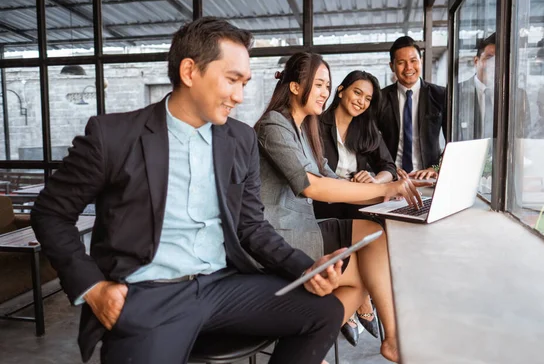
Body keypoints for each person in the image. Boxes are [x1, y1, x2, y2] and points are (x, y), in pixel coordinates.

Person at [30, 18, 347, 364]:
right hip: (151, 294)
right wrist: (92, 287)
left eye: (245, 83)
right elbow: (51, 214)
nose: (240, 97)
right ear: (189, 71)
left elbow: (251, 226)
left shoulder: (240, 140)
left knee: (325, 310)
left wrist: (306, 269)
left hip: (222, 286)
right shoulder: (113, 137)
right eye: (232, 80)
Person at [254, 52, 427, 363]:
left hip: (304, 226)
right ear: (295, 87)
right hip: (278, 234)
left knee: (377, 236)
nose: (325, 93)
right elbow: (311, 185)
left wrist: (389, 194)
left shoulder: (307, 129)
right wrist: (386, 187)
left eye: (327, 85)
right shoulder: (273, 125)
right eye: (319, 85)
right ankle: (312, 343)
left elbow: (333, 181)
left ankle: (380, 338)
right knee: (365, 274)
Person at [314, 70, 396, 344]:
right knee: (360, 217)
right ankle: (362, 300)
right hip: (322, 204)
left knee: (374, 219)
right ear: (341, 91)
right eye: (357, 92)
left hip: (354, 202)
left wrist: (374, 179)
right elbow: (315, 178)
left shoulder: (366, 128)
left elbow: (388, 167)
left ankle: (359, 297)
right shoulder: (315, 124)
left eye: (368, 98)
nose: (361, 101)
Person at [377, 36, 447, 180]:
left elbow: (454, 142)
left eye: (413, 61)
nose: (408, 67)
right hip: (391, 177)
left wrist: (435, 168)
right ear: (392, 66)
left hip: (428, 176)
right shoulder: (380, 98)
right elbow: (370, 141)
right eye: (401, 62)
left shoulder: (441, 95)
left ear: (421, 61)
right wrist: (386, 170)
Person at [456, 32, 531, 141]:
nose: (494, 64)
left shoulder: (518, 95)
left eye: (499, 59)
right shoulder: (457, 92)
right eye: (489, 57)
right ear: (476, 61)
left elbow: (524, 136)